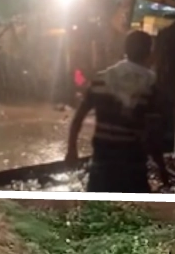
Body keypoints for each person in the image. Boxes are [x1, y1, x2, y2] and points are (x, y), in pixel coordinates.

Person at [66, 29, 167, 193]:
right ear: (150, 52)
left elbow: (78, 117)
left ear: (125, 50)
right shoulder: (150, 85)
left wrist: (72, 149)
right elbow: (152, 135)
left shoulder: (100, 79)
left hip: (101, 166)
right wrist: (162, 170)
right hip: (132, 168)